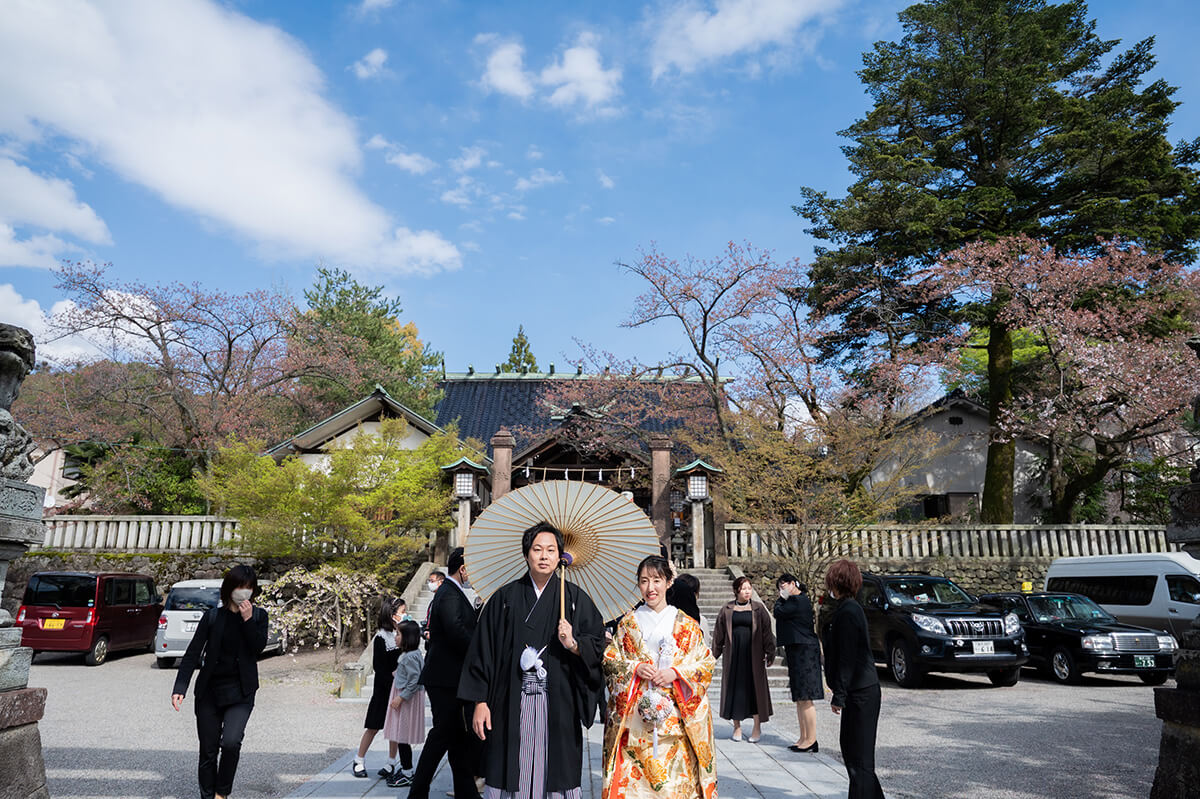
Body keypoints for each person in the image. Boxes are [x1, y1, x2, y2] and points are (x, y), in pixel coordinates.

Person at [459, 521, 605, 799]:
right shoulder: (504, 598)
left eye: (551, 550)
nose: (544, 556)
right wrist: (480, 702)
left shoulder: (574, 599)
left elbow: (598, 646)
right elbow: (483, 651)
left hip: (558, 701)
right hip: (510, 700)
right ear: (526, 554)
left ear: (560, 556)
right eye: (537, 549)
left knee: (556, 769)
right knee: (511, 765)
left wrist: (574, 645)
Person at [601, 555, 717, 799]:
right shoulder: (628, 623)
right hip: (635, 719)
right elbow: (610, 661)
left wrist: (675, 673)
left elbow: (705, 663)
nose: (650, 588)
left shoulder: (686, 624)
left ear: (669, 582)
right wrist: (634, 668)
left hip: (674, 719)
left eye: (657, 580)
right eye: (644, 581)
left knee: (674, 788)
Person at [171, 564, 269, 799]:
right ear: (228, 589)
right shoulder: (212, 616)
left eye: (248, 588)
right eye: (238, 587)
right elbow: (193, 653)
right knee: (208, 750)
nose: (243, 592)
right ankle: (208, 796)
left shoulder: (259, 616)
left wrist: (247, 620)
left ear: (253, 591)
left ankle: (221, 793)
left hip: (241, 692)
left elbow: (257, 649)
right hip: (210, 691)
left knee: (231, 743)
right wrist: (180, 687)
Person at [408, 548, 481, 799]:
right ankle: (417, 792)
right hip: (444, 678)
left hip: (450, 677)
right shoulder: (449, 593)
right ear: (462, 569)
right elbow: (456, 630)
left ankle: (467, 793)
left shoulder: (453, 592)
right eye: (471, 568)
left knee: (456, 738)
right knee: (441, 735)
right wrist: (479, 649)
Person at [823, 559, 885, 799]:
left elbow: (847, 657)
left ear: (836, 583)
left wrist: (839, 694)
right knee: (854, 754)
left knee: (859, 759)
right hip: (859, 691)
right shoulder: (848, 608)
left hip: (860, 691)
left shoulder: (848, 611)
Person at [712, 576, 775, 743]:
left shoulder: (759, 609)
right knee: (735, 691)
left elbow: (767, 632)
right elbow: (719, 634)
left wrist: (770, 652)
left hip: (754, 656)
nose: (748, 591)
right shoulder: (727, 609)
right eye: (744, 588)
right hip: (734, 656)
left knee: (754, 690)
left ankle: (756, 727)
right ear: (736, 591)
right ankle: (737, 727)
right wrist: (713, 655)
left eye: (749, 588)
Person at [352, 596, 405, 779]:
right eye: (402, 612)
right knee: (373, 726)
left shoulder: (402, 633)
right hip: (384, 689)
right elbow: (379, 667)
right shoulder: (382, 637)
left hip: (398, 688)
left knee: (395, 728)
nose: (404, 615)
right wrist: (392, 679)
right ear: (391, 615)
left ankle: (391, 762)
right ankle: (359, 759)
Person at [773, 573, 823, 753]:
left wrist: (780, 599)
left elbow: (778, 611)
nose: (782, 589)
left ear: (794, 584)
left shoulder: (798, 601)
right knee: (799, 697)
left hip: (805, 650)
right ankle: (803, 737)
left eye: (784, 585)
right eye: (780, 586)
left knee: (806, 697)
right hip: (796, 649)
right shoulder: (792, 601)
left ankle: (811, 739)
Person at [384, 620, 426, 787]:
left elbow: (414, 680)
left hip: (406, 700)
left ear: (407, 637)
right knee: (402, 737)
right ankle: (406, 769)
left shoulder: (410, 657)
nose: (395, 637)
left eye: (399, 634)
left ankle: (407, 772)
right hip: (405, 697)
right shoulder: (411, 655)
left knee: (402, 736)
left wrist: (401, 698)